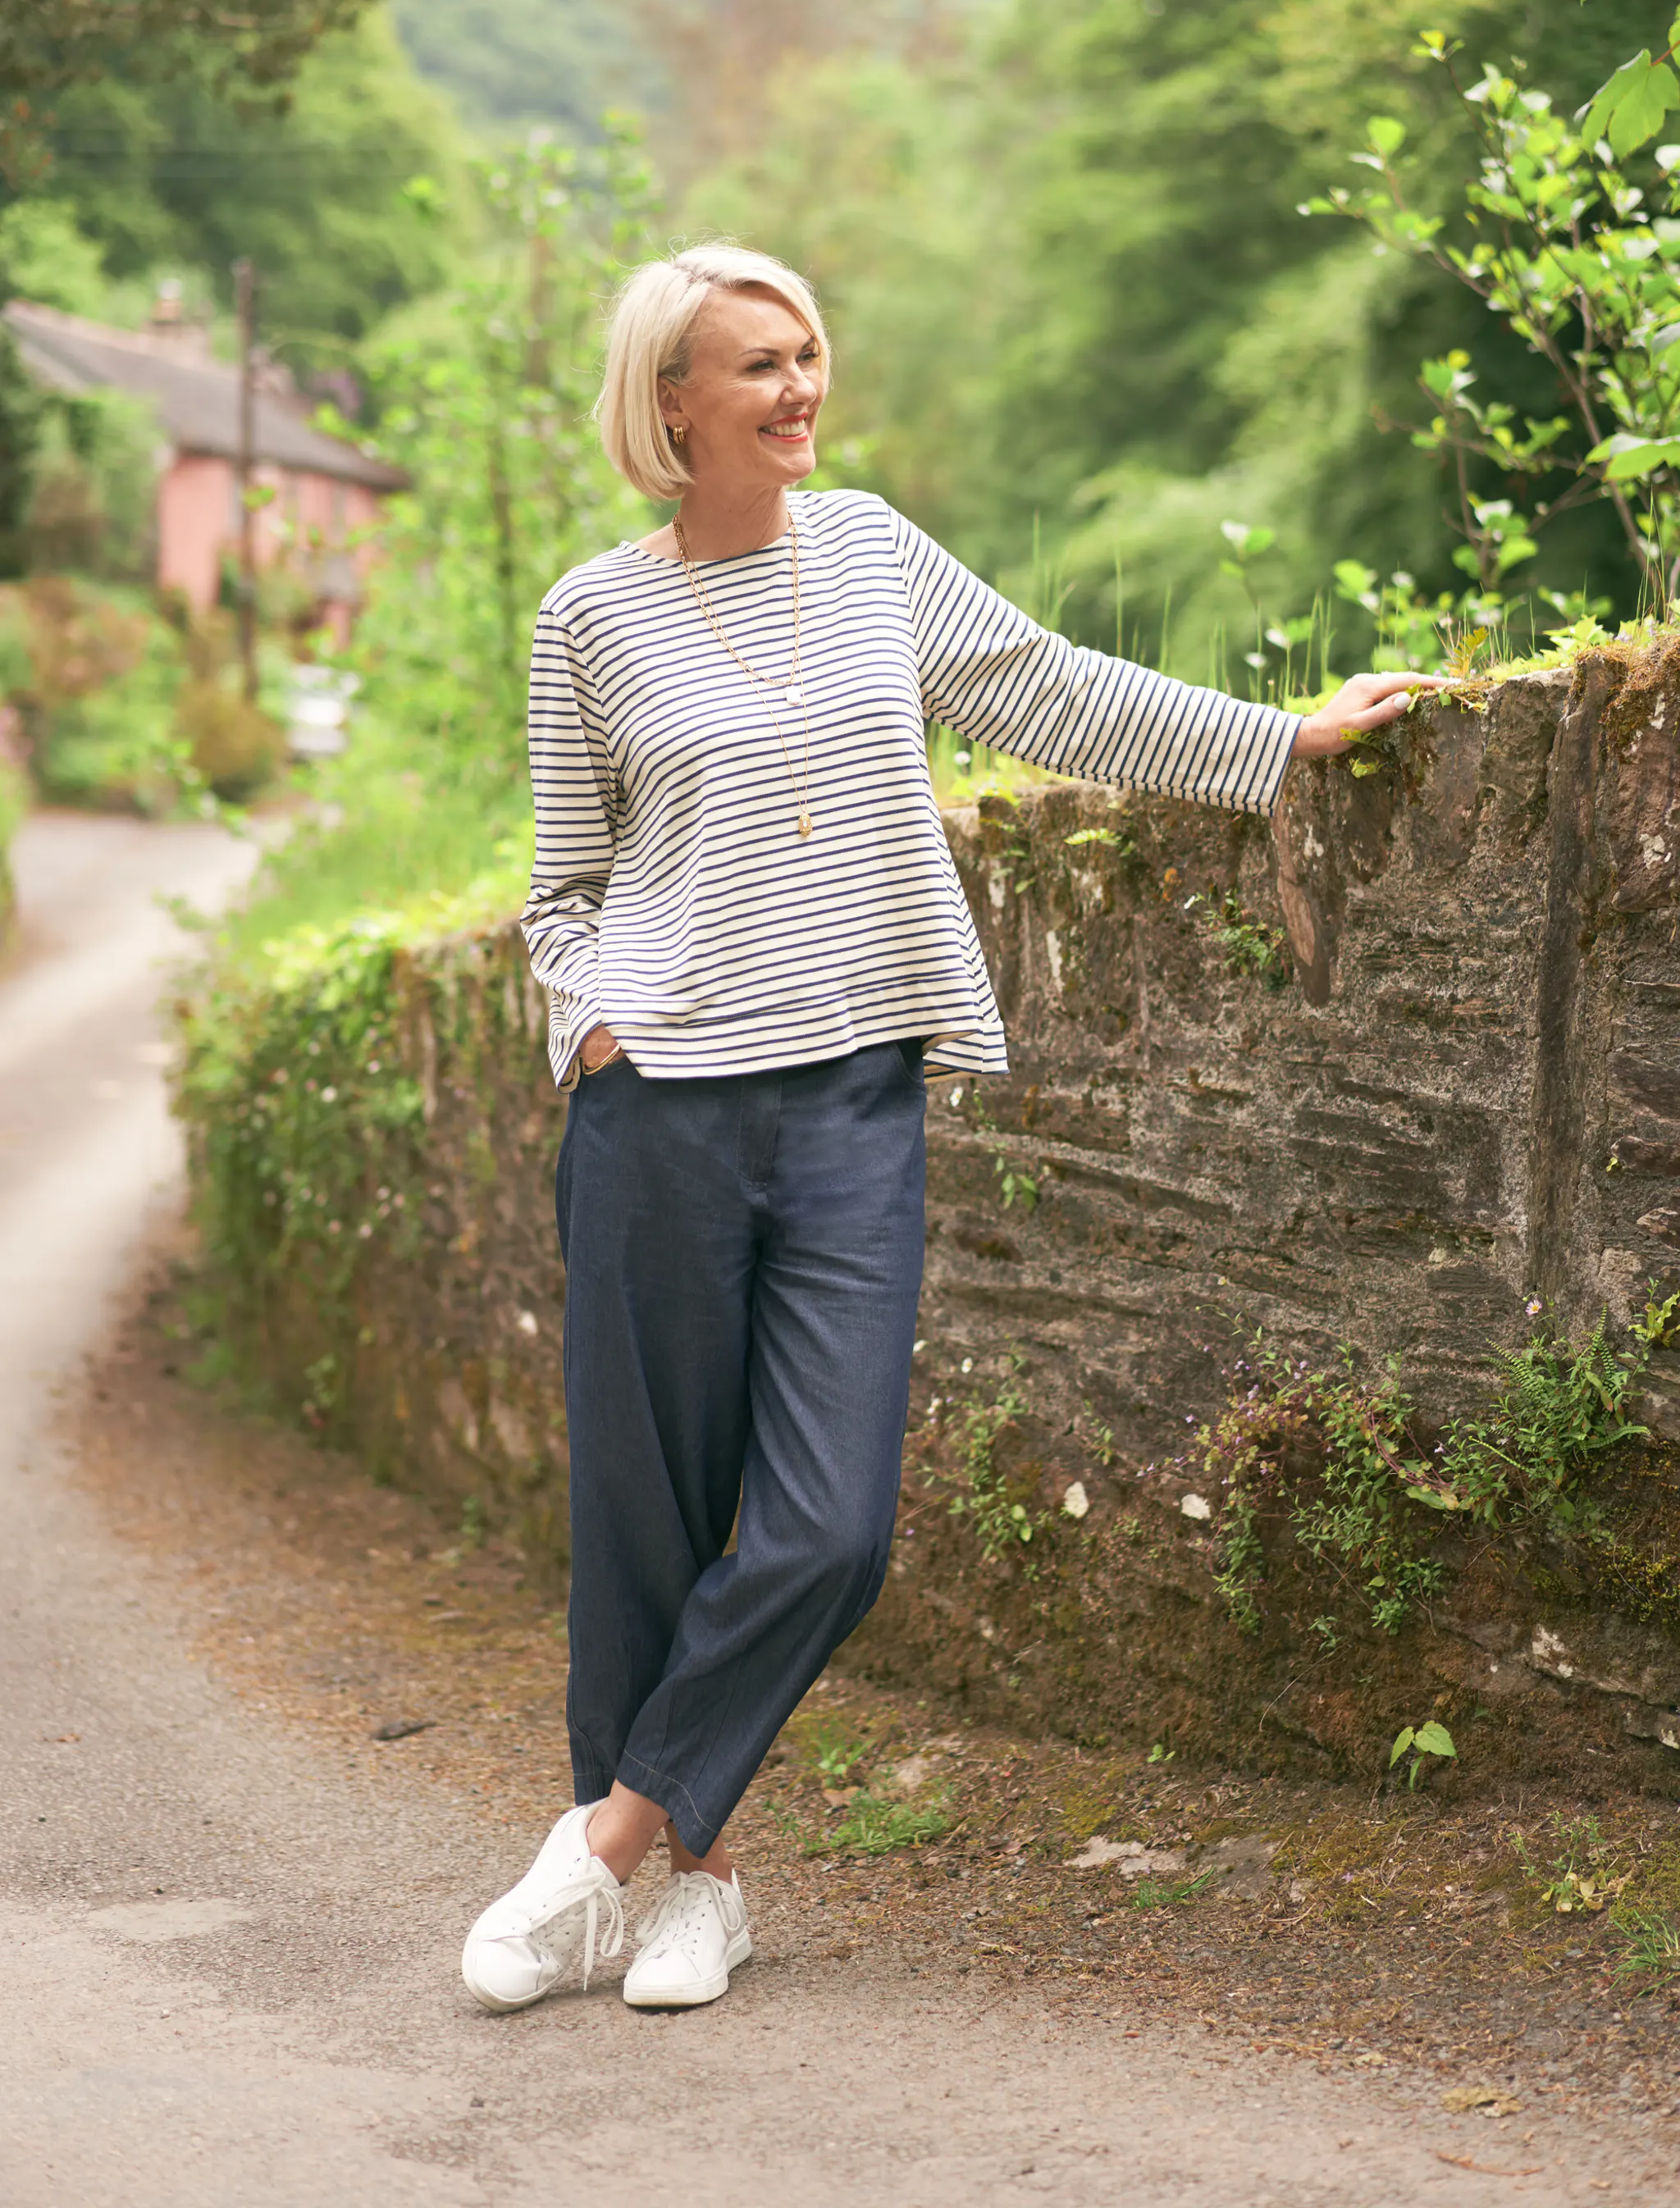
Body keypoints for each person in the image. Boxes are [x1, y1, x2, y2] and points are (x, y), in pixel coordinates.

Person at [460, 243, 1436, 2015]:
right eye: (754, 364)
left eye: (808, 352)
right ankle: (699, 1893)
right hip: (660, 1108)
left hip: (848, 1094)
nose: (796, 387)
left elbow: (1051, 687)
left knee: (830, 1527)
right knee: (653, 1520)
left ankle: (598, 1846)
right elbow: (563, 888)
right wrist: (592, 1021)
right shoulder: (587, 619)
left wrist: (1277, 741)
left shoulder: (873, 555)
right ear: (670, 404)